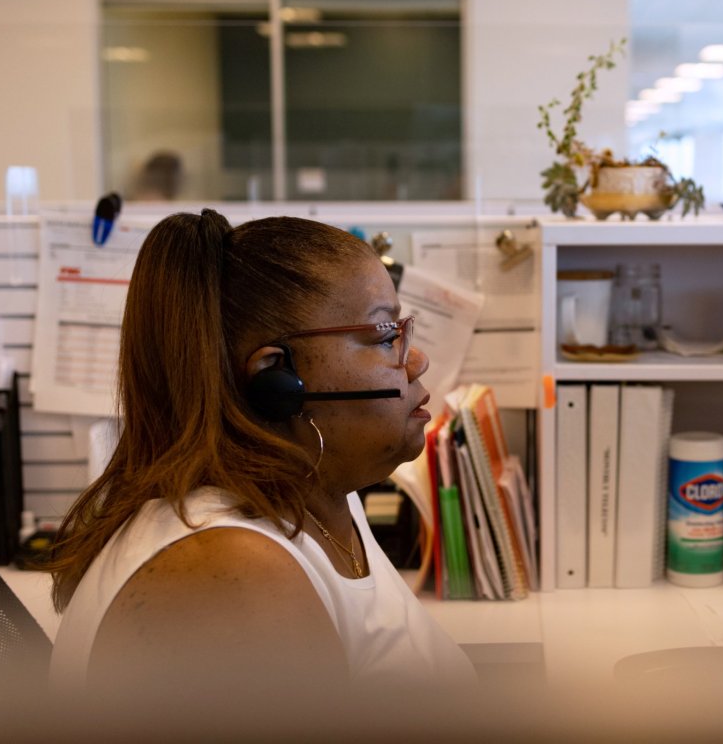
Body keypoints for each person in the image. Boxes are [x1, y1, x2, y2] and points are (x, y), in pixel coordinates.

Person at [45, 209, 475, 701]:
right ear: (277, 379)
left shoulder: (319, 493)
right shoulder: (230, 575)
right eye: (383, 335)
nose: (416, 359)